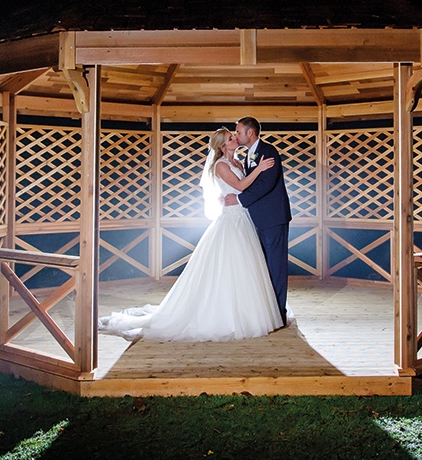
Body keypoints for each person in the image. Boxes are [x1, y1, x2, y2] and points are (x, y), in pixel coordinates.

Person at [98, 128, 284, 342]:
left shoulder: (238, 163)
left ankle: (250, 313)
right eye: (231, 138)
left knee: (247, 267)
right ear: (223, 145)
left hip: (243, 218)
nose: (235, 138)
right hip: (231, 220)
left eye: (235, 135)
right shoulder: (221, 165)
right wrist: (260, 169)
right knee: (229, 266)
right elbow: (241, 185)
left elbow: (242, 189)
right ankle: (223, 315)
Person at [223, 116, 292, 326]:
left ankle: (278, 314)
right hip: (256, 220)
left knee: (275, 266)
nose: (236, 135)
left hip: (273, 218)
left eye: (238, 132)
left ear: (249, 132)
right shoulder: (247, 157)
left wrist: (239, 199)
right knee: (263, 267)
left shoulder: (268, 152)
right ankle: (267, 311)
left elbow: (266, 185)